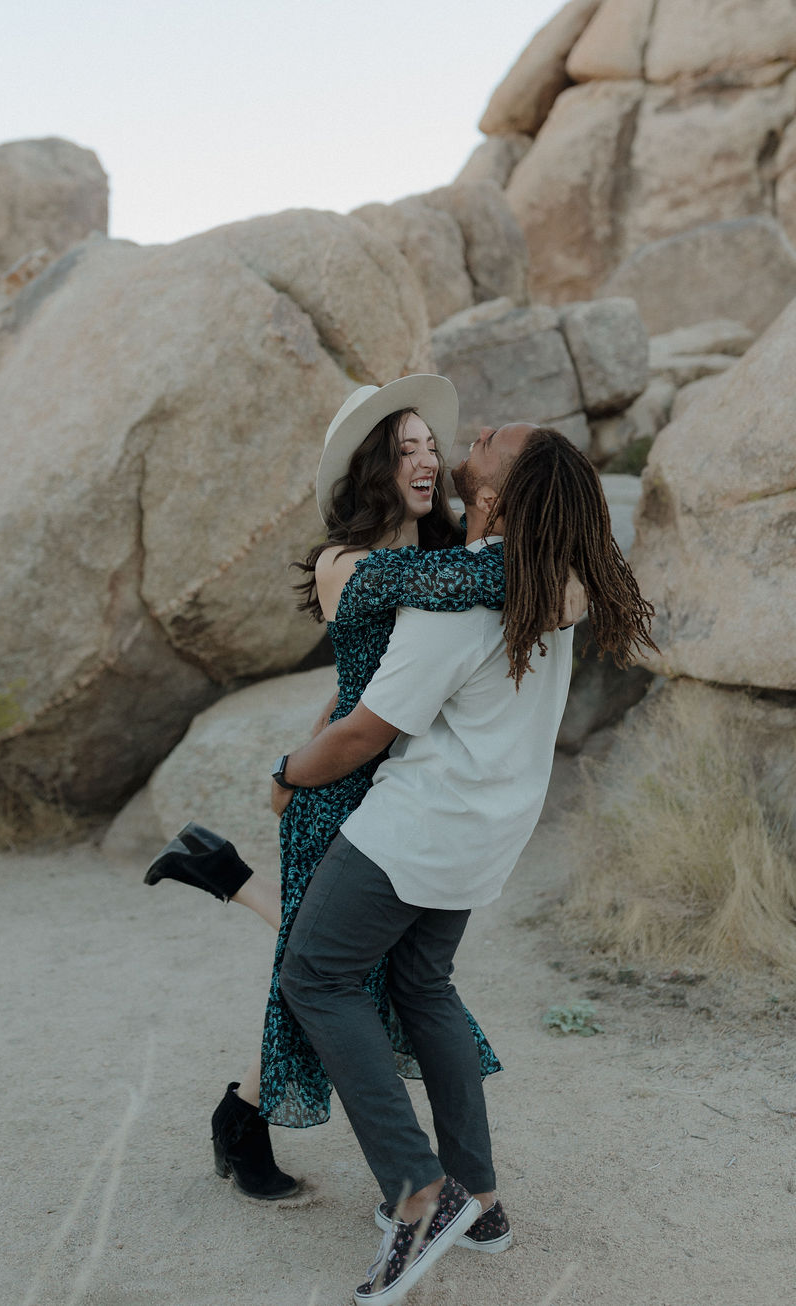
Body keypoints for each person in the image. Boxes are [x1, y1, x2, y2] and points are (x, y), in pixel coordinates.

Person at [270, 422, 658, 1304]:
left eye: (491, 440)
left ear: (500, 492)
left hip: (419, 824)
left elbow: (367, 731)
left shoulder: (459, 598)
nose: (473, 434)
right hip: (489, 833)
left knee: (315, 973)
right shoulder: (541, 582)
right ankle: (479, 1199)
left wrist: (287, 773)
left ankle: (418, 1189)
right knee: (422, 983)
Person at [146, 375, 517, 1199]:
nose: (426, 461)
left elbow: (353, 687)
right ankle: (240, 1124)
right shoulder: (344, 564)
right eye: (405, 449)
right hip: (344, 791)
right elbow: (465, 591)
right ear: (372, 471)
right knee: (323, 976)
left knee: (333, 969)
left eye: (431, 446)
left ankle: (225, 879)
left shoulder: (436, 553)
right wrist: (545, 570)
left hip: (399, 784)